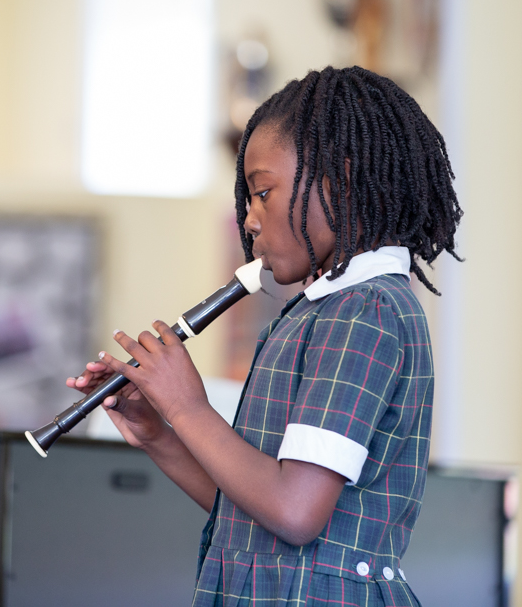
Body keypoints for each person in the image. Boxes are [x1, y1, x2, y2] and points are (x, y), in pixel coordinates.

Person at [67, 66, 462, 606]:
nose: (250, 220)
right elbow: (253, 507)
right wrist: (159, 431)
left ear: (340, 180)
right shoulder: (317, 313)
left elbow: (295, 512)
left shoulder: (363, 313)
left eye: (263, 193)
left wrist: (188, 407)